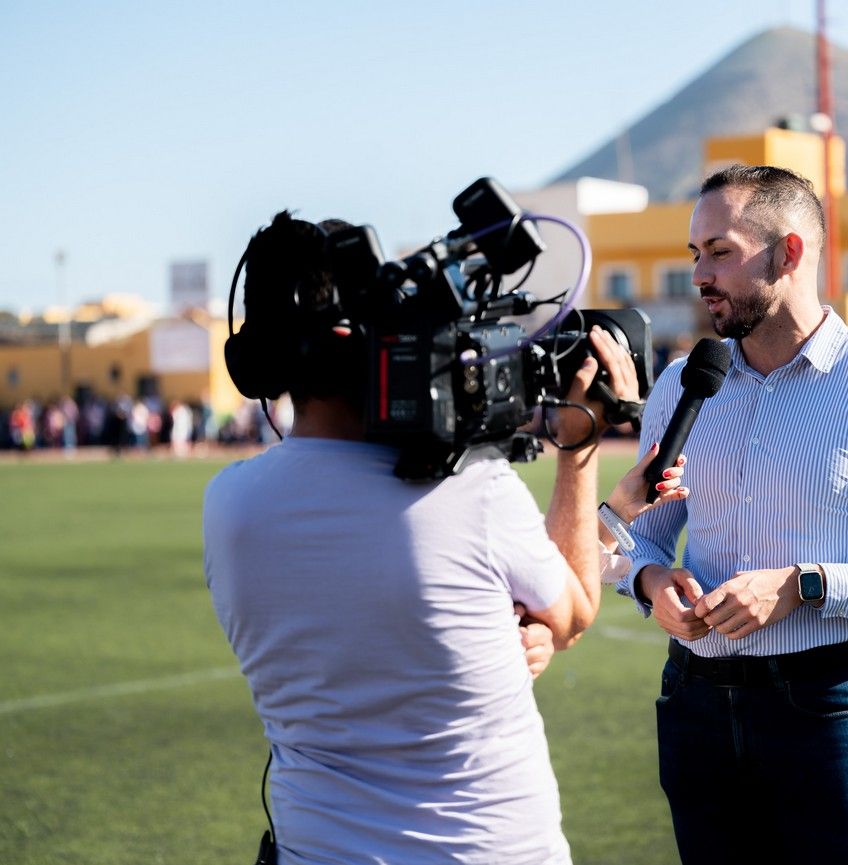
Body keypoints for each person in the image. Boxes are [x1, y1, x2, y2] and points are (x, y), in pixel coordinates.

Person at [202, 211, 676, 865]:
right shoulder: (473, 490)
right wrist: (579, 445)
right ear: (362, 336)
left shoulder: (228, 505)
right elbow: (571, 614)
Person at [617, 165, 848, 865]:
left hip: (827, 709)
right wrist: (649, 583)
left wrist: (805, 584)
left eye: (720, 251)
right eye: (695, 253)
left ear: (789, 253)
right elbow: (640, 539)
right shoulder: (680, 386)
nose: (700, 273)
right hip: (694, 705)